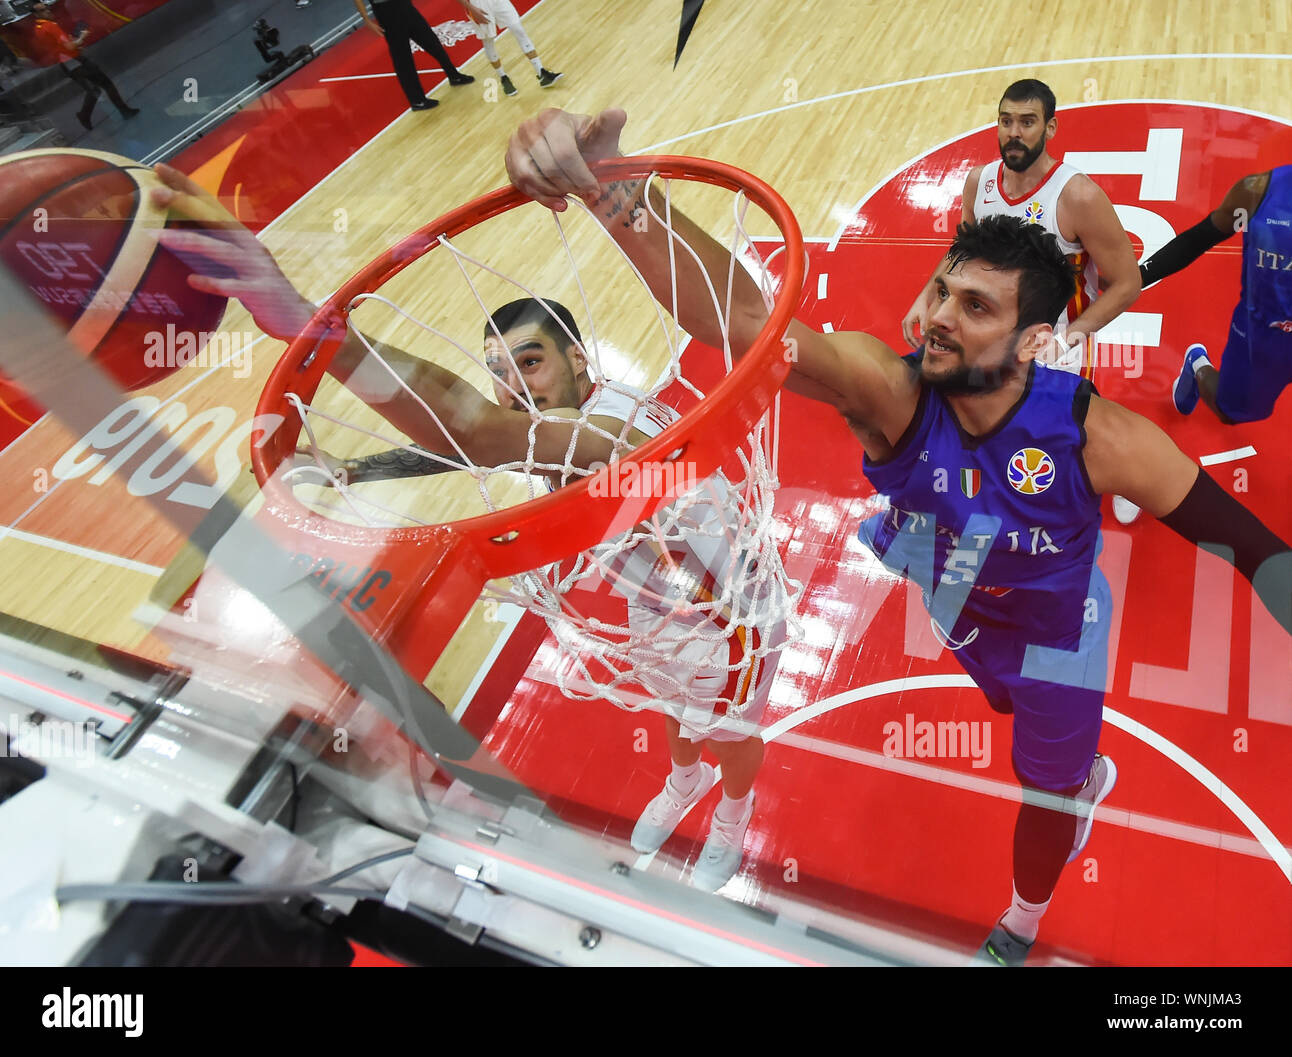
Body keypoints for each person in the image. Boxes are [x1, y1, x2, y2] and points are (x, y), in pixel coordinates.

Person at [503, 106, 1292, 964]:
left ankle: (1026, 911)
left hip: (1056, 633)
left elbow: (1255, 549)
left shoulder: (1104, 441)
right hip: (954, 586)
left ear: (1035, 339)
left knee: (1046, 788)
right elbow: (739, 321)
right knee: (966, 638)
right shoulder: (891, 390)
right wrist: (616, 193)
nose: (940, 317)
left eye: (976, 306)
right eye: (944, 290)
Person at [148, 166, 784, 894]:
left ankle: (734, 804)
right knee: (675, 709)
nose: (515, 386)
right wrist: (366, 468)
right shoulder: (560, 426)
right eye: (500, 373)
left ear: (581, 359)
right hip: (659, 599)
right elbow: (473, 438)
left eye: (532, 363)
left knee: (730, 729)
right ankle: (683, 778)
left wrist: (304, 320)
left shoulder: (611, 431)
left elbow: (477, 433)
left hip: (729, 612)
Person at [901, 79, 1144, 524]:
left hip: (1057, 343)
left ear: (1050, 129)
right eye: (1006, 120)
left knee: (1079, 429)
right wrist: (926, 296)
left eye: (1027, 122)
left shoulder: (1078, 196)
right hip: (993, 338)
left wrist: (1069, 339)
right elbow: (964, 251)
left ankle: (1129, 479)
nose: (1014, 132)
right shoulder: (980, 182)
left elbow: (1127, 283)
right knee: (994, 421)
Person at [1137, 167, 1292, 426]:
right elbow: (1201, 237)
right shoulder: (1256, 191)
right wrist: (1138, 277)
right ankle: (1197, 363)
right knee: (1229, 412)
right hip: (1263, 333)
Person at [27, 1, 138, 130]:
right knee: (106, 84)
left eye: (46, 8)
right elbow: (70, 46)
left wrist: (72, 43)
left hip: (66, 63)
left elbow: (58, 47)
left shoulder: (38, 29)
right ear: (36, 14)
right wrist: (82, 37)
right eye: (43, 10)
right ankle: (123, 110)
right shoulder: (50, 26)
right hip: (74, 61)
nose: (48, 11)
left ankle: (85, 115)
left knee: (94, 89)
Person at [354, 0, 474, 111]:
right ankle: (417, 100)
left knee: (432, 41)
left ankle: (454, 75)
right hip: (386, 11)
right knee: (402, 55)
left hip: (404, 5)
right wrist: (366, 19)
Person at [456, 0, 562, 97]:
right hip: (477, 4)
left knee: (518, 28)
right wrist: (471, 8)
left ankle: (541, 72)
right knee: (488, 41)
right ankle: (503, 77)